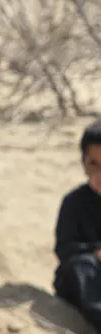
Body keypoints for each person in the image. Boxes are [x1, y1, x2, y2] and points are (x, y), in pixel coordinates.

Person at [55, 121, 101, 331]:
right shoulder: (74, 202)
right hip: (82, 280)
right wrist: (94, 251)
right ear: (83, 163)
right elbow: (64, 248)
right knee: (82, 266)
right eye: (94, 164)